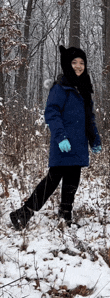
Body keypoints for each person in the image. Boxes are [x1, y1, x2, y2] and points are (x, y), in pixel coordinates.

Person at [10, 45, 102, 229]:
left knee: (73, 180)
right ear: (67, 64)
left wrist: (95, 139)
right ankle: (24, 213)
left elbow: (89, 117)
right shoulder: (61, 87)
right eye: (74, 62)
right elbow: (52, 113)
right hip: (64, 143)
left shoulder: (84, 89)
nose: (78, 66)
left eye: (81, 62)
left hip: (79, 143)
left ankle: (65, 214)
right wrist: (60, 137)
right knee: (52, 180)